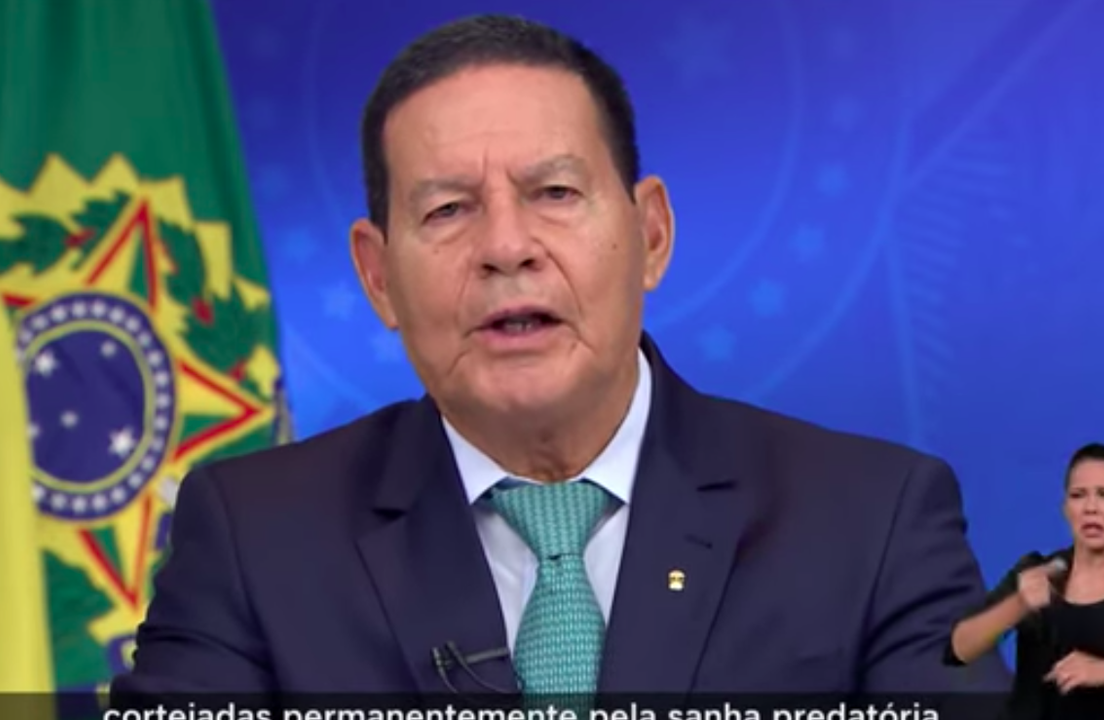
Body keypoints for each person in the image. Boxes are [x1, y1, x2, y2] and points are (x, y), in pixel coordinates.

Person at [111, 14, 1010, 698]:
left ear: (650, 234)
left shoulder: (874, 522)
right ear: (377, 277)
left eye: (554, 192)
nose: (507, 247)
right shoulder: (253, 539)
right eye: (448, 210)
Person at [947, 443, 1104, 719]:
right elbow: (958, 650)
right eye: (1078, 495)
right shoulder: (1035, 570)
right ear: (1066, 509)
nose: (1091, 507)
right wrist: (1017, 604)